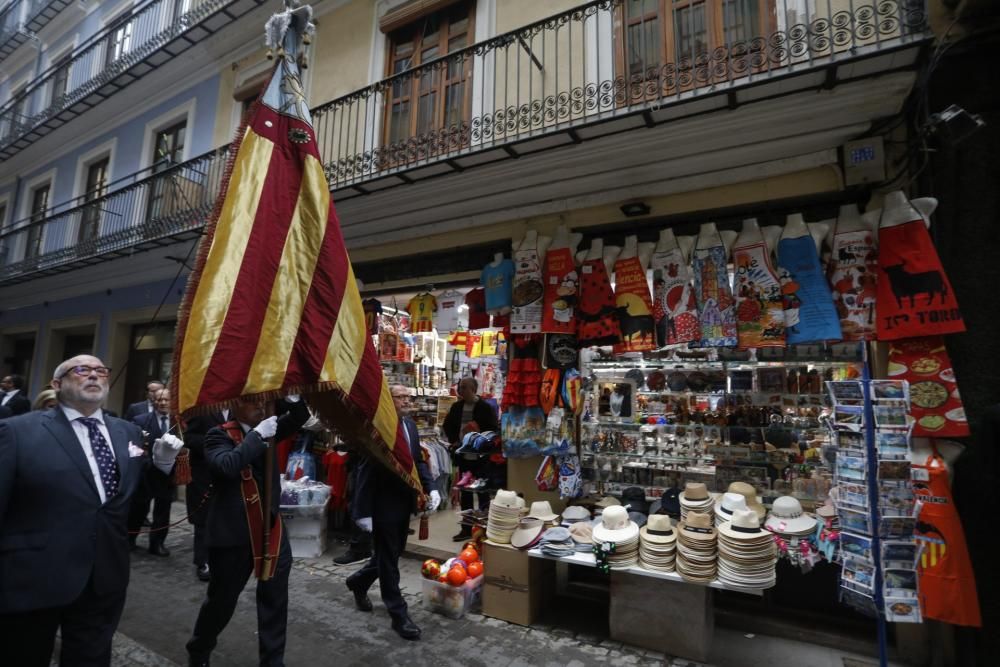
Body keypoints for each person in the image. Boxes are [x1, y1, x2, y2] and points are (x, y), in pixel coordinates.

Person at [0, 355, 182, 666]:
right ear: (57, 384)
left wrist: (163, 464)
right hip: (34, 579)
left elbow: (138, 493)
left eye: (101, 371)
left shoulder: (128, 432)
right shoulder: (16, 432)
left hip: (104, 577)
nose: (94, 375)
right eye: (82, 370)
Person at [186, 395, 309, 667]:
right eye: (254, 402)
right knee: (221, 601)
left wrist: (291, 396)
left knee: (275, 600)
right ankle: (200, 647)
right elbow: (226, 466)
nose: (262, 407)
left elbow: (300, 416)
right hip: (234, 534)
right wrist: (256, 436)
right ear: (236, 405)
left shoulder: (272, 428)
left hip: (271, 529)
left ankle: (272, 661)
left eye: (266, 402)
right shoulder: (218, 435)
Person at [345, 385, 439, 640]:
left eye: (409, 396)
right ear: (389, 399)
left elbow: (418, 461)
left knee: (390, 553)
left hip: (404, 502)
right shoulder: (378, 427)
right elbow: (366, 469)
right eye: (401, 397)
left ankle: (359, 582)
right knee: (389, 561)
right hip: (383, 504)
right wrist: (363, 511)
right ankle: (398, 613)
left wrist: (431, 488)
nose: (407, 400)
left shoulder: (410, 426)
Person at [442, 377, 499, 541]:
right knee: (466, 492)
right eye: (460, 387)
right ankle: (466, 529)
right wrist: (455, 440)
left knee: (482, 492)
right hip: (463, 457)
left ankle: (483, 528)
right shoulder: (456, 407)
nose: (461, 391)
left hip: (480, 458)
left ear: (474, 389)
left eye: (465, 387)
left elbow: (494, 429)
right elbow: (447, 425)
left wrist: (479, 433)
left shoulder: (485, 407)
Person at [128, 387, 178, 557]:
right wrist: (145, 461)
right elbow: (133, 446)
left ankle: (157, 544)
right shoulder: (141, 420)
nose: (163, 403)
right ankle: (129, 540)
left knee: (163, 511)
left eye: (166, 399)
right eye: (159, 400)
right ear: (153, 401)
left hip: (168, 475)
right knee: (138, 509)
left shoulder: (179, 422)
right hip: (146, 474)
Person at [183, 410, 226, 582]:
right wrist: (215, 443)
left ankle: (219, 558)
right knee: (203, 521)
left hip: (226, 473)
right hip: (203, 475)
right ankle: (203, 561)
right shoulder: (203, 410)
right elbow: (189, 438)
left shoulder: (238, 410)